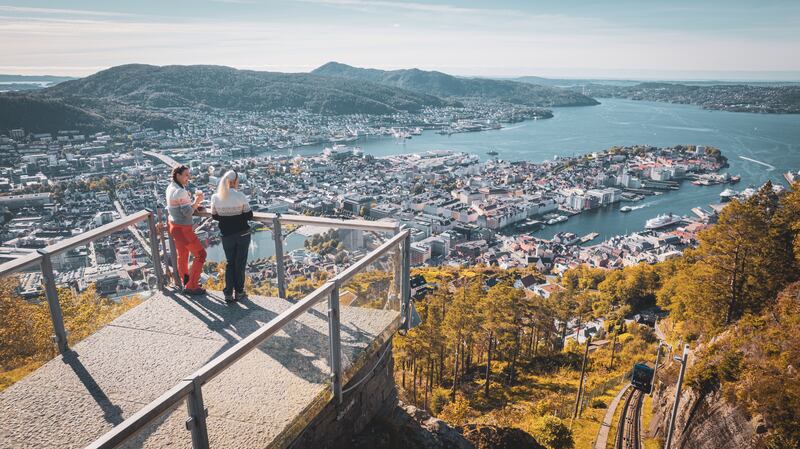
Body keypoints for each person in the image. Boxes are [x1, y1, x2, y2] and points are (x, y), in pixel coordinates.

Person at [211, 170, 253, 303]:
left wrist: (226, 216)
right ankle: (239, 292)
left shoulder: (216, 197)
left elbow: (214, 216)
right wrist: (237, 215)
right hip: (242, 233)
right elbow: (249, 215)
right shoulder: (240, 195)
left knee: (230, 263)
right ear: (235, 181)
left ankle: (228, 292)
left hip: (226, 234)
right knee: (240, 263)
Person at [166, 164, 207, 295]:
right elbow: (187, 213)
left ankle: (186, 281)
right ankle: (192, 286)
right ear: (178, 175)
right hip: (183, 228)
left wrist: (192, 204)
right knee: (201, 255)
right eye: (186, 175)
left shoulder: (170, 187)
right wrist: (197, 201)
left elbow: (179, 208)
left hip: (174, 227)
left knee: (182, 256)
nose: (188, 178)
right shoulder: (181, 191)